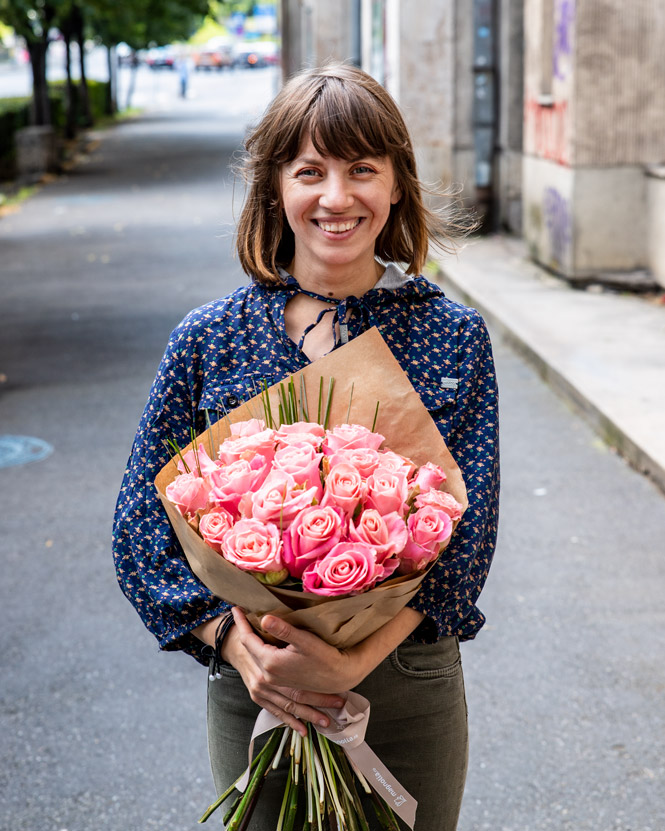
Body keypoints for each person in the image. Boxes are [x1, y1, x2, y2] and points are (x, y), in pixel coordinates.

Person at [113, 64, 500, 830]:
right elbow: (138, 530)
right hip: (260, 679)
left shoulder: (453, 337)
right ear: (275, 190)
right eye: (309, 171)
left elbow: (469, 528)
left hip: (407, 678)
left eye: (362, 169)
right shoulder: (208, 339)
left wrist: (351, 659)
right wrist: (237, 643)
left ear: (395, 185)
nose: (336, 197)